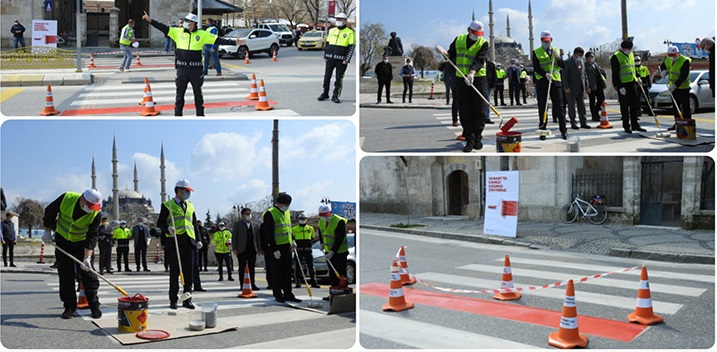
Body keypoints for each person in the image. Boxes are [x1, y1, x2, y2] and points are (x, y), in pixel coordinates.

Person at [142, 12, 245, 116]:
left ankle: (200, 115)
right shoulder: (178, 32)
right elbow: (162, 27)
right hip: (182, 69)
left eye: (188, 21)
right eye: (185, 21)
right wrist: (150, 20)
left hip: (196, 69)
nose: (186, 23)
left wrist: (235, 42)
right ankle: (178, 116)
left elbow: (218, 40)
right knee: (179, 95)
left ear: (194, 23)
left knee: (198, 94)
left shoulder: (202, 34)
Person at [42, 189, 103, 319]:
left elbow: (92, 236)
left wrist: (87, 257)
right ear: (82, 199)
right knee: (66, 275)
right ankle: (69, 307)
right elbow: (50, 211)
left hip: (82, 244)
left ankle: (94, 306)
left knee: (89, 275)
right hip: (63, 241)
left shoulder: (96, 214)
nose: (90, 209)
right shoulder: (67, 198)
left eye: (93, 207)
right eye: (89, 206)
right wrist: (47, 231)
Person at [157, 179, 200, 309]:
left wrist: (198, 240)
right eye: (186, 191)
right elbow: (160, 223)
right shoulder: (167, 205)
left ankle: (187, 299)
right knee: (175, 272)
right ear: (179, 190)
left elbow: (194, 224)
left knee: (189, 273)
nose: (188, 193)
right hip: (174, 241)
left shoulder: (190, 205)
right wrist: (167, 228)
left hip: (189, 241)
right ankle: (173, 300)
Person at [449, 20, 490, 152]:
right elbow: (451, 55)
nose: (477, 36)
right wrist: (446, 56)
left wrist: (472, 73)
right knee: (465, 110)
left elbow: (479, 60)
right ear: (469, 30)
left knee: (481, 110)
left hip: (478, 78)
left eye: (479, 34)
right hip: (461, 78)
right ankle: (470, 139)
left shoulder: (483, 42)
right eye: (474, 33)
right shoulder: (458, 40)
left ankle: (478, 137)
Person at [261, 192, 301, 303]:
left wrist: (292, 240)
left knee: (287, 272)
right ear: (279, 203)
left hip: (287, 246)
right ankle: (278, 294)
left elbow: (288, 228)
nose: (287, 206)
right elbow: (268, 233)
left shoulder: (286, 212)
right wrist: (273, 249)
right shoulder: (270, 213)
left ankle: (288, 293)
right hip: (276, 247)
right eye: (285, 204)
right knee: (277, 272)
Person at [533, 30, 568, 140]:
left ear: (551, 40)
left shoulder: (556, 51)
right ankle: (542, 130)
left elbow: (563, 66)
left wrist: (558, 57)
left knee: (559, 107)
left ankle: (563, 131)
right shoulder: (536, 52)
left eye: (548, 41)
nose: (546, 43)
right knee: (543, 107)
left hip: (556, 82)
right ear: (541, 41)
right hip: (543, 82)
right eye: (544, 41)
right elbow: (536, 68)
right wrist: (545, 74)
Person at [318, 12, 355, 104]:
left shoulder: (350, 32)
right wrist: (325, 55)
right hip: (330, 58)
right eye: (337, 19)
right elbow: (327, 44)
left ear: (345, 21)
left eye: (340, 19)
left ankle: (336, 95)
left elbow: (351, 47)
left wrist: (347, 59)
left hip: (341, 59)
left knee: (339, 78)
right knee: (327, 77)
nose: (338, 21)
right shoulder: (332, 30)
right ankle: (325, 93)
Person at [611, 39, 646, 134]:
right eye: (628, 48)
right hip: (623, 85)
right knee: (624, 106)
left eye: (631, 48)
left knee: (634, 105)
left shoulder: (631, 55)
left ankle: (635, 125)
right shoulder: (616, 57)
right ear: (623, 48)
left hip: (632, 83)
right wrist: (619, 86)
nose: (630, 50)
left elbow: (632, 68)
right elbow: (615, 73)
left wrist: (638, 77)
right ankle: (626, 126)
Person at [317, 205, 348, 300]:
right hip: (328, 252)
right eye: (322, 216)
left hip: (340, 252)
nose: (324, 217)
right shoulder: (321, 222)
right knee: (332, 274)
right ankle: (333, 294)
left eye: (326, 215)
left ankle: (343, 294)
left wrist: (333, 252)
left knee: (341, 274)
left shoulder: (339, 221)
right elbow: (322, 234)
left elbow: (339, 239)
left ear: (330, 213)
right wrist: (322, 243)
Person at [659, 45, 692, 130]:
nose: (672, 58)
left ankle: (687, 124)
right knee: (675, 107)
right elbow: (663, 65)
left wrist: (675, 85)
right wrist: (663, 71)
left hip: (683, 88)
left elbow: (683, 75)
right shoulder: (668, 58)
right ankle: (677, 124)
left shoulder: (684, 61)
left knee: (685, 107)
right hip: (672, 88)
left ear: (678, 53)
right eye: (670, 56)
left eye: (674, 56)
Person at [232, 207, 261, 290]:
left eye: (250, 214)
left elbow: (257, 237)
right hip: (242, 249)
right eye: (247, 214)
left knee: (252, 267)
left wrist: (259, 248)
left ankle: (252, 283)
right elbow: (234, 237)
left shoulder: (254, 224)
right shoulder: (238, 225)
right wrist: (235, 248)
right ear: (242, 215)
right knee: (242, 267)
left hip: (252, 248)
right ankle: (242, 284)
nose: (249, 215)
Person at [563, 47, 590, 129]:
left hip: (580, 87)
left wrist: (587, 85)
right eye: (579, 55)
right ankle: (573, 122)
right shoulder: (567, 62)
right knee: (571, 106)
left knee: (581, 105)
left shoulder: (581, 61)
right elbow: (564, 76)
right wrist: (566, 87)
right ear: (575, 54)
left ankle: (583, 122)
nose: (580, 57)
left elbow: (584, 74)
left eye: (582, 55)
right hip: (571, 88)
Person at [292, 212, 320, 288]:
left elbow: (312, 237)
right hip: (298, 250)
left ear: (306, 219)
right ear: (298, 220)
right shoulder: (294, 229)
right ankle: (298, 282)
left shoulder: (310, 229)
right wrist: (293, 243)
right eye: (301, 219)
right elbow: (292, 238)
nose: (302, 220)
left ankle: (313, 282)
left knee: (311, 266)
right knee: (298, 267)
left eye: (304, 219)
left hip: (308, 250)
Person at [585, 51, 606, 122]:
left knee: (601, 98)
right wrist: (587, 86)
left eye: (593, 56)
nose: (592, 58)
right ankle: (594, 115)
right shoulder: (585, 66)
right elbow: (585, 76)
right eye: (590, 56)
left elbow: (601, 73)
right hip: (591, 86)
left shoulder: (596, 64)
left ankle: (596, 111)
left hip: (599, 85)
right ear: (587, 58)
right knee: (592, 101)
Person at [441, 61, 459, 126]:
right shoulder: (451, 62)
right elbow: (447, 71)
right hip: (455, 82)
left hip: (464, 81)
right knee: (456, 101)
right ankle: (455, 120)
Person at [484, 60, 496, 124]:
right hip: (480, 84)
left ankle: (487, 117)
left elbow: (494, 74)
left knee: (487, 101)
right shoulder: (477, 62)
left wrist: (494, 84)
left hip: (488, 84)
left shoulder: (490, 64)